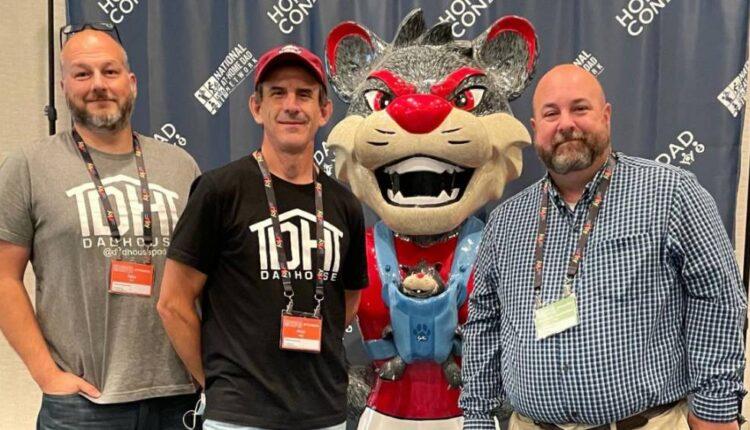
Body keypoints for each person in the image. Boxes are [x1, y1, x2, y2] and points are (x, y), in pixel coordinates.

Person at [459, 64, 747, 430]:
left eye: (580, 108)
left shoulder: (671, 193)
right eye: (551, 114)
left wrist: (714, 410)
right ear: (535, 129)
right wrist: (478, 417)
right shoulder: (505, 222)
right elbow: (484, 322)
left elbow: (718, 299)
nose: (565, 124)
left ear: (606, 116)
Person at [0, 24, 201, 429]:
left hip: (179, 399)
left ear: (132, 83)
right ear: (64, 86)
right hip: (83, 405)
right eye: (82, 74)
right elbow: (4, 277)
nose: (98, 85)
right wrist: (47, 375)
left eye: (110, 71)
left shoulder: (181, 166)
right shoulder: (29, 166)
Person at [157, 44, 368, 430]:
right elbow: (172, 302)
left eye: (304, 94)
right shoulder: (220, 190)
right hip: (238, 417)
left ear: (324, 111)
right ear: (257, 108)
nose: (291, 106)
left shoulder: (344, 204)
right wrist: (217, 385)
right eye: (278, 93)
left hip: (325, 415)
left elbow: (347, 302)